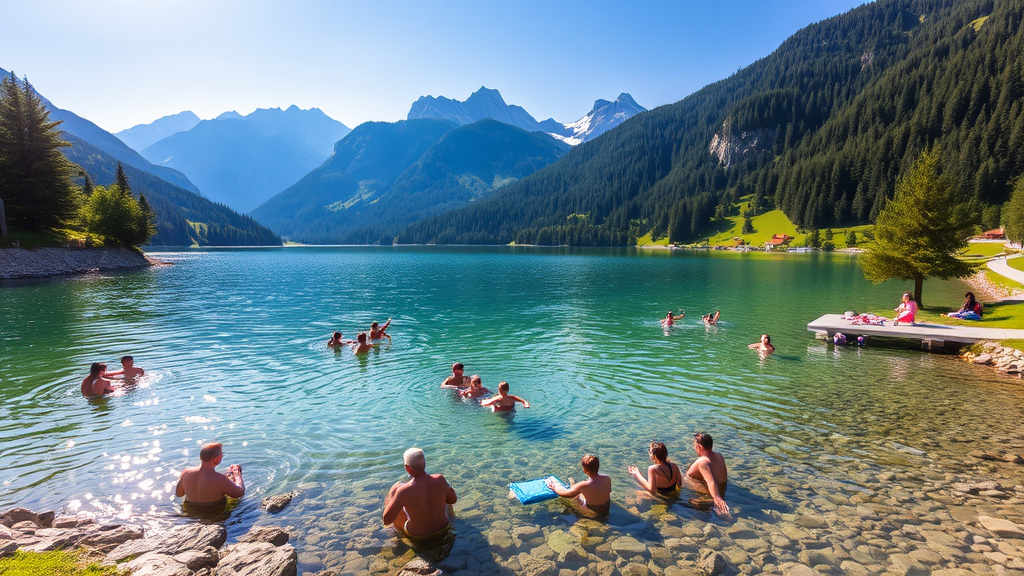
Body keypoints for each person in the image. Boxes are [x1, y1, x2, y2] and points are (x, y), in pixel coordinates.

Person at [382, 448, 457, 541]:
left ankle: (401, 537)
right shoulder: (440, 479)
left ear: (407, 468)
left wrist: (393, 495)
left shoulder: (403, 490)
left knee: (392, 497)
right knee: (445, 491)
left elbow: (387, 520)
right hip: (444, 526)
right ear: (424, 464)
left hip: (417, 535)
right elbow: (453, 500)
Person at [174, 442, 245, 507]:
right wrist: (237, 474)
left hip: (189, 510)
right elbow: (239, 493)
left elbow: (179, 494)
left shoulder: (186, 473)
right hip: (213, 515)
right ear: (216, 458)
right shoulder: (220, 479)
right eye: (222, 454)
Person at [546, 454, 612, 517]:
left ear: (584, 469)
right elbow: (607, 491)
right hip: (605, 508)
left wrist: (554, 487)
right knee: (583, 490)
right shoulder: (607, 478)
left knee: (573, 496)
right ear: (598, 466)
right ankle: (573, 485)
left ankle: (573, 484)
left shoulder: (583, 485)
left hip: (591, 510)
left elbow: (566, 494)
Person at [686, 432, 729, 514]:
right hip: (721, 487)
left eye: (695, 446)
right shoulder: (719, 455)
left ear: (699, 446)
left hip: (708, 490)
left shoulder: (703, 461)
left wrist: (717, 498)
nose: (694, 448)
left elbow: (711, 481)